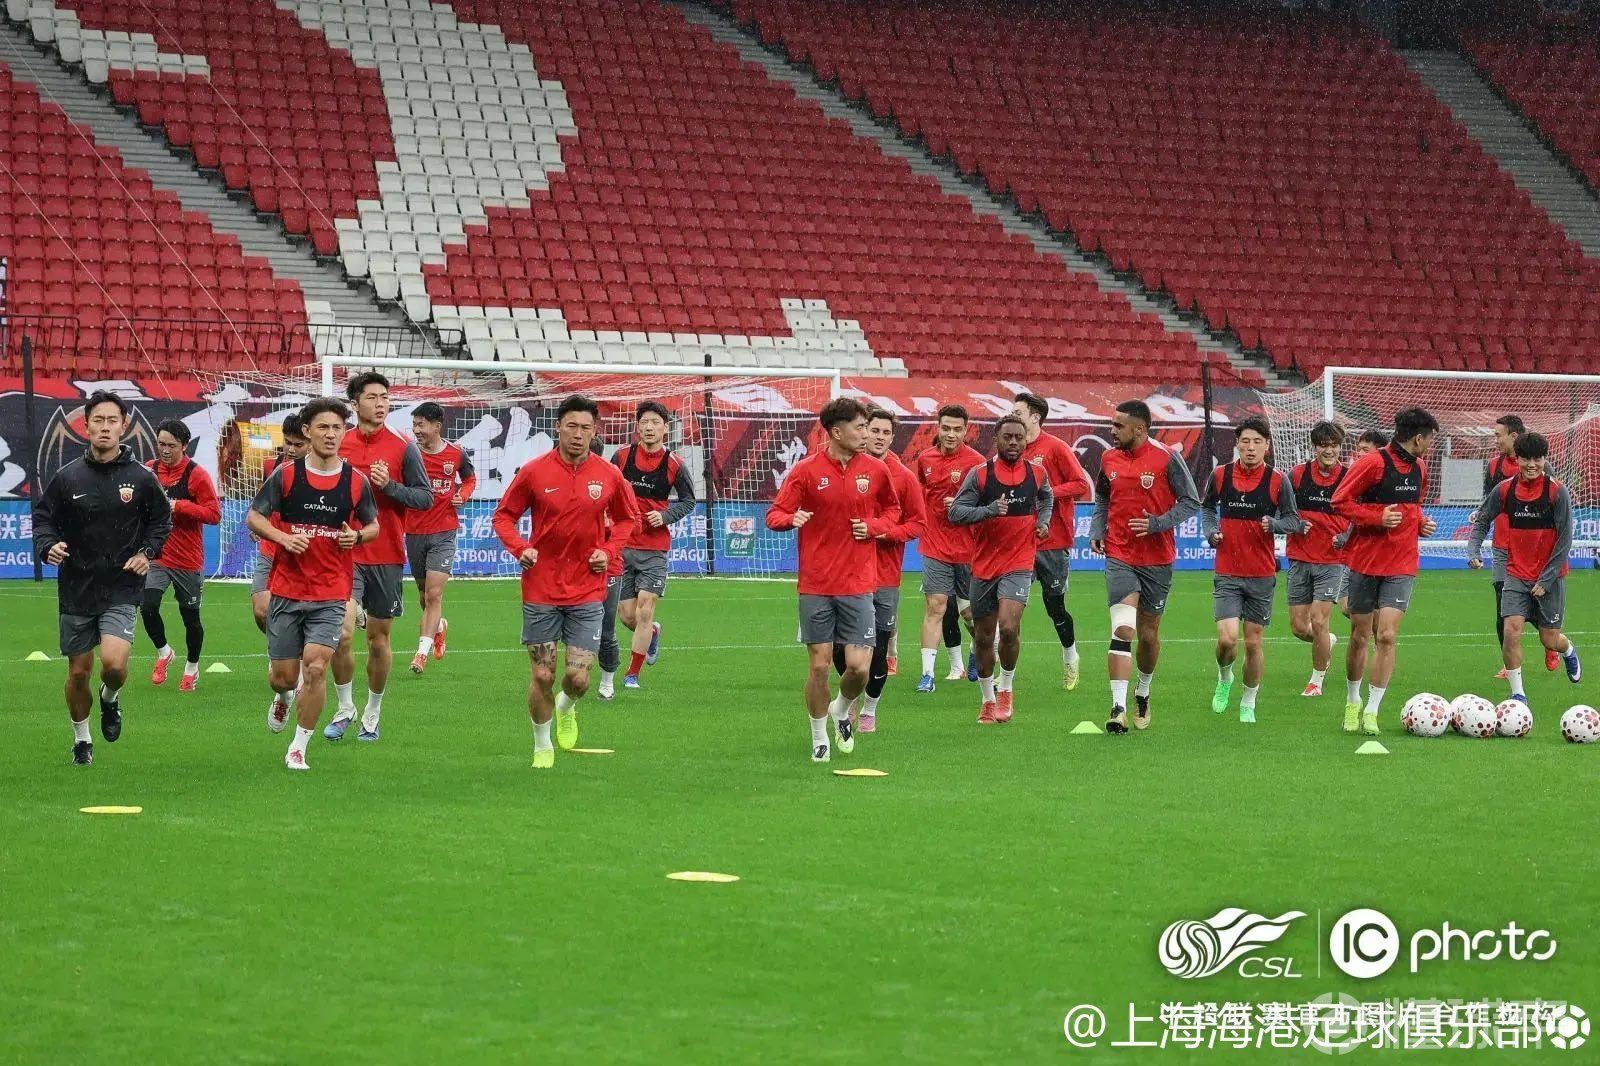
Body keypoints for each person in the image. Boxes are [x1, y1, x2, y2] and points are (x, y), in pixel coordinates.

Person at [493, 395, 636, 769]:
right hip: (541, 587)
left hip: (587, 588)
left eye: (586, 428)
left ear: (594, 431)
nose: (578, 434)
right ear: (558, 427)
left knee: (577, 679)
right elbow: (503, 517)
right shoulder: (534, 471)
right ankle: (542, 746)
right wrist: (520, 548)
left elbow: (627, 519)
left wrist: (608, 550)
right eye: (571, 426)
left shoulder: (609, 474)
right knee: (542, 674)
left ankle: (567, 706)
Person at [32, 391, 171, 765]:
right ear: (86, 425)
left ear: (123, 426)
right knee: (79, 673)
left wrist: (146, 553)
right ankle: (82, 739)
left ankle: (110, 698)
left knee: (114, 665)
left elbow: (161, 521)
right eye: (98, 420)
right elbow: (43, 520)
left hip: (121, 586)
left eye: (112, 421)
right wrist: (48, 545)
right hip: (76, 587)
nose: (105, 427)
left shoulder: (142, 478)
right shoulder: (66, 477)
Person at [766, 397, 901, 762]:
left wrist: (873, 526)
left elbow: (893, 511)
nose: (866, 434)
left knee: (858, 668)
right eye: (860, 427)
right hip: (817, 585)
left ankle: (841, 708)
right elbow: (774, 514)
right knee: (819, 666)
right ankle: (819, 738)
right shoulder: (806, 471)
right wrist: (790, 519)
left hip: (859, 583)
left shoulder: (876, 470)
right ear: (837, 432)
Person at [246, 398, 379, 769]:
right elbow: (254, 517)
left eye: (337, 427)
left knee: (316, 668)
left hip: (331, 592)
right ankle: (284, 697)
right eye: (323, 427)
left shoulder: (356, 481)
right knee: (284, 678)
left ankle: (298, 747)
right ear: (307, 431)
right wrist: (283, 538)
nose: (331, 434)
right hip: (288, 590)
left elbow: (373, 525)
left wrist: (358, 537)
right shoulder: (286, 476)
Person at [325, 372, 432, 743]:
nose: (380, 403)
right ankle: (344, 708)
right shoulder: (339, 443)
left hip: (386, 555)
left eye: (385, 397)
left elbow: (424, 498)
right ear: (355, 403)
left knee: (378, 640)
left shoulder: (404, 447)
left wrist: (391, 487)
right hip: (344, 552)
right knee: (341, 632)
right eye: (372, 397)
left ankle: (372, 712)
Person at [1089, 399, 1200, 734]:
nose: (1112, 431)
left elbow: (1191, 502)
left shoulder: (1167, 458)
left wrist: (1157, 523)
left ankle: (1143, 690)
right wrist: (1097, 528)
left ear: (1139, 429)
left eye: (1118, 426)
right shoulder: (1108, 458)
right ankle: (1118, 708)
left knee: (1148, 635)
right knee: (1123, 629)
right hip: (1120, 555)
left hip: (1157, 559)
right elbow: (1103, 496)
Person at [1331, 407, 1439, 735]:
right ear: (1417, 438)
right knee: (1359, 635)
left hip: (1402, 563)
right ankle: (1353, 701)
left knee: (1387, 635)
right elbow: (1339, 501)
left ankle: (1372, 710)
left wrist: (1420, 523)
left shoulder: (1420, 468)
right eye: (1430, 440)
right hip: (1365, 562)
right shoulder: (1372, 463)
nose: (1430, 446)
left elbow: (1413, 506)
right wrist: (1377, 518)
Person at [948, 415, 1053, 723]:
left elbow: (1047, 498)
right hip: (984, 565)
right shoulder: (980, 475)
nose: (1013, 442)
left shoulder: (1037, 473)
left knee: (1008, 628)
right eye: (1007, 437)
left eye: (1019, 437)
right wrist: (989, 510)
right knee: (983, 637)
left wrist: (1043, 522)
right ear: (996, 440)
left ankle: (1006, 689)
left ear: (1026, 440)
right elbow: (955, 512)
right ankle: (987, 699)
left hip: (1019, 563)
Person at [1201, 416, 1299, 723]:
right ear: (1237, 445)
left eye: (1257, 442)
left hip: (1261, 575)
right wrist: (1211, 532)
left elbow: (1293, 520)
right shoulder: (1220, 475)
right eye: (1245, 441)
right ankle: (1224, 677)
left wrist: (1275, 524)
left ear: (1267, 446)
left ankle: (1248, 701)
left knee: (1254, 643)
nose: (1251, 447)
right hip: (1228, 571)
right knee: (1227, 640)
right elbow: (1207, 508)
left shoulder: (1278, 480)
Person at [1468, 431, 1581, 699]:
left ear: (1545, 459)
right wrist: (1473, 549)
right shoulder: (1505, 489)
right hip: (1516, 574)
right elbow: (1483, 519)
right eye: (1525, 459)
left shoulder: (1557, 492)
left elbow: (1565, 540)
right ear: (1516, 459)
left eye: (1537, 459)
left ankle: (1567, 650)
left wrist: (1546, 579)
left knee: (1549, 639)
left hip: (1550, 577)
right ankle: (1518, 695)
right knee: (1511, 631)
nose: (1532, 465)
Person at [604, 400, 698, 695]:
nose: (649, 427)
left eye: (655, 422)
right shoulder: (621, 457)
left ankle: (632, 674)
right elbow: (606, 488)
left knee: (645, 610)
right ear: (637, 427)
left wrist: (665, 515)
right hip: (622, 546)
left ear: (665, 429)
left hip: (654, 549)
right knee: (627, 615)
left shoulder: (674, 463)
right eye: (644, 422)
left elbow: (689, 501)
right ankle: (653, 633)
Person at [844, 406, 925, 733]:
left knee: (878, 649)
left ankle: (869, 710)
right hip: (846, 575)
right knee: (843, 649)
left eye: (885, 432)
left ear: (893, 437)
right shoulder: (846, 469)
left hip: (884, 577)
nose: (878, 437)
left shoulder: (903, 477)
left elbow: (918, 523)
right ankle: (848, 700)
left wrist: (885, 533)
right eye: (873, 430)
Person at [1012, 392, 1091, 690]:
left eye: (1018, 412)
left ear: (1035, 417)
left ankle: (1070, 655)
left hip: (1053, 540)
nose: (1013, 416)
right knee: (1011, 608)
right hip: (1018, 541)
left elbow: (1080, 484)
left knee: (1054, 606)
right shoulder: (1012, 447)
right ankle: (1005, 676)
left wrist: (1046, 493)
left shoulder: (1055, 447)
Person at [141, 418, 221, 691]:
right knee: (148, 605)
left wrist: (180, 506)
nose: (165, 450)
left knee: (191, 619)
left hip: (188, 560)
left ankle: (191, 668)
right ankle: (164, 652)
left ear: (184, 445)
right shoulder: (149, 470)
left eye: (171, 445)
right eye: (161, 444)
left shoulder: (197, 475)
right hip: (157, 555)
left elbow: (214, 514)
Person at [913, 404, 984, 693]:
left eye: (957, 429)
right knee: (936, 606)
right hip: (935, 544)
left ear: (966, 430)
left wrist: (962, 505)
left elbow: (987, 507)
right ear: (938, 428)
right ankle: (927, 674)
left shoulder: (977, 463)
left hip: (968, 548)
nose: (951, 434)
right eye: (946, 428)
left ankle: (977, 649)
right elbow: (920, 493)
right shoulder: (925, 459)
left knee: (970, 615)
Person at [405, 401, 476, 674]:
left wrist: (462, 495)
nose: (416, 430)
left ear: (437, 426)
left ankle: (420, 654)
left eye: (421, 425)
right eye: (414, 424)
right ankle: (439, 627)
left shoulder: (456, 454)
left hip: (444, 532)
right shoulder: (409, 453)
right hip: (414, 531)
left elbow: (469, 479)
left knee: (434, 594)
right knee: (424, 596)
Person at [1285, 420, 1349, 697]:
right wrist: (1295, 523)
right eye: (1324, 445)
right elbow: (1281, 511)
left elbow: (1360, 515)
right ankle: (1327, 641)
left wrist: (1346, 536)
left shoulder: (1349, 477)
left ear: (1340, 447)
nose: (1329, 450)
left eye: (1334, 445)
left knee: (1319, 620)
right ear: (1315, 447)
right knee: (1300, 628)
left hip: (1331, 562)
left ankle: (1316, 681)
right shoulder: (1297, 475)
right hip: (1299, 559)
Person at [1480, 415, 1528, 676]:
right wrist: (1480, 514)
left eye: (1499, 435)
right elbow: (1489, 501)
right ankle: (1509, 665)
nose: (1495, 440)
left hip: (1530, 548)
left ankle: (1553, 641)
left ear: (1514, 436)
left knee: (1538, 607)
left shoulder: (1533, 465)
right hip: (1501, 547)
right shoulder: (1493, 466)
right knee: (1502, 608)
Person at [252, 413, 307, 634]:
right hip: (271, 548)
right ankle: (279, 648)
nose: (291, 449)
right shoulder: (271, 466)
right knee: (261, 611)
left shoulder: (324, 472)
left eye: (298, 445)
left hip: (304, 552)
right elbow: (261, 504)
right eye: (287, 442)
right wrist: (260, 523)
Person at [1337, 429, 1389, 618]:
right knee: (1347, 606)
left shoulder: (1384, 482)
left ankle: (1379, 635)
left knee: (1364, 612)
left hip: (1377, 554)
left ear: (1380, 451)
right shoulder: (1356, 476)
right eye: (1359, 449)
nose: (1359, 454)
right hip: (1356, 553)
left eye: (1365, 449)